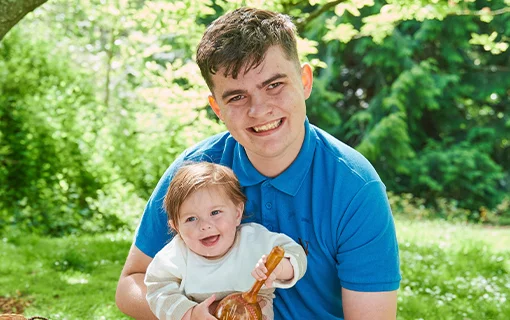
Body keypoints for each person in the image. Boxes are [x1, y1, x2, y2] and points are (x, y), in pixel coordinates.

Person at [116, 7, 401, 320]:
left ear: (305, 81)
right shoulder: (193, 172)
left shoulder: (354, 187)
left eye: (274, 85)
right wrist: (186, 316)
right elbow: (131, 286)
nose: (259, 109)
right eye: (237, 97)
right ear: (217, 108)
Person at [144, 162, 307, 320]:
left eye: (215, 212)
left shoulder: (254, 240)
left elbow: (296, 253)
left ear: (237, 214)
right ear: (177, 227)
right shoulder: (176, 255)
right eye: (191, 218)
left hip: (254, 309)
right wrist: (189, 313)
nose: (205, 226)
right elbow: (157, 289)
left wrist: (280, 268)